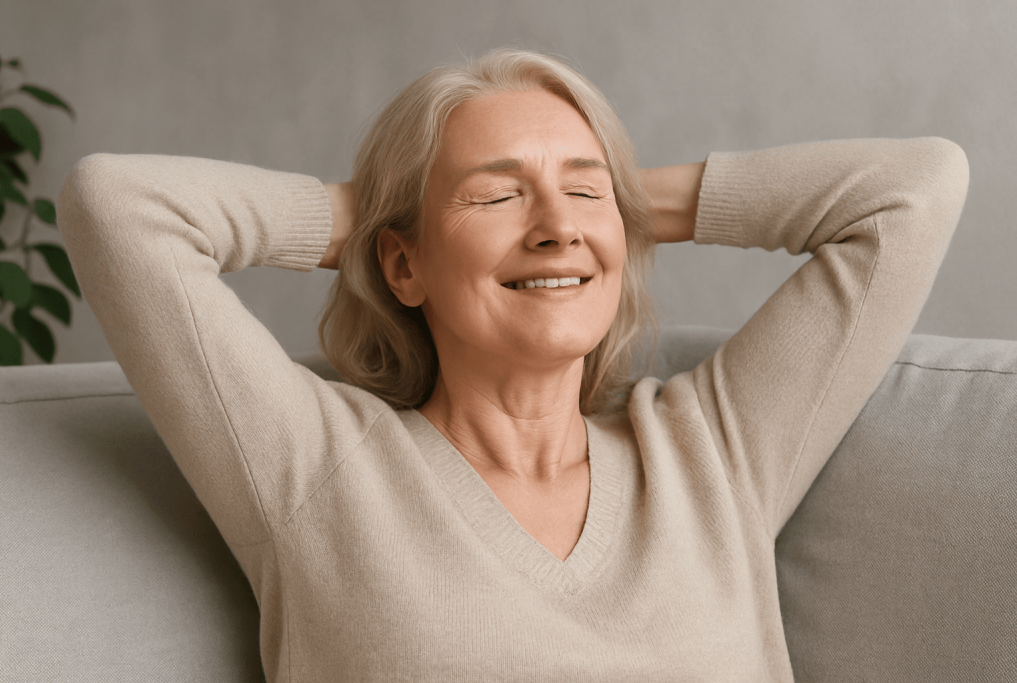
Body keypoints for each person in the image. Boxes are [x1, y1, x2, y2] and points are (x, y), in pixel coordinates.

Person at [57, 49, 968, 681]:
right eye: (495, 195)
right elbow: (119, 207)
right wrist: (384, 213)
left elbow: (915, 191)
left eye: (583, 189)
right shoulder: (320, 465)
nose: (557, 225)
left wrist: (621, 205)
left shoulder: (715, 450)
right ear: (403, 266)